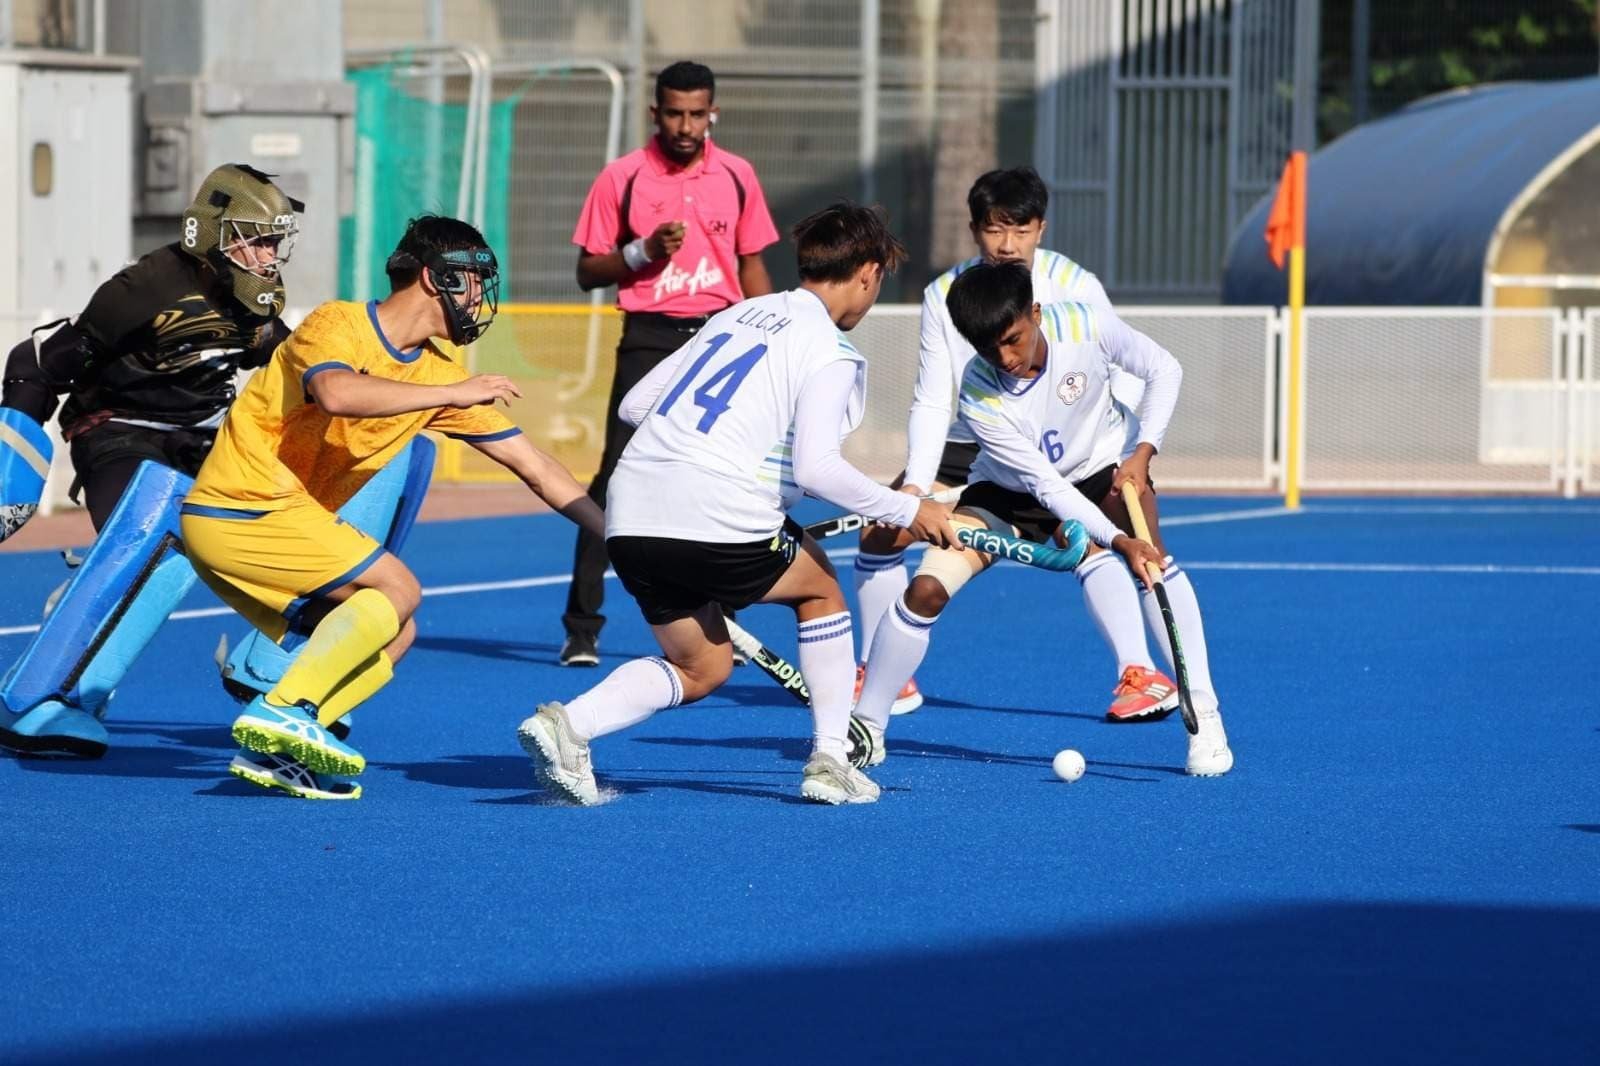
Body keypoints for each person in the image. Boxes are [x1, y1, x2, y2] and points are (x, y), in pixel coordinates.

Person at [519, 202, 957, 807]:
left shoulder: (739, 314)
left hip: (631, 513)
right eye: (877, 282)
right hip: (718, 511)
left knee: (703, 667)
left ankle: (568, 725)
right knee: (820, 588)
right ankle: (830, 759)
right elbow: (817, 468)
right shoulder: (829, 350)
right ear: (868, 272)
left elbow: (635, 406)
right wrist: (911, 511)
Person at [179, 215, 606, 800]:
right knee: (398, 586)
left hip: (272, 524)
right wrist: (452, 393)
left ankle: (289, 746)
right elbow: (337, 392)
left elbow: (534, 465)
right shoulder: (339, 324)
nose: (482, 297)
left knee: (398, 631)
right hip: (241, 504)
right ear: (436, 279)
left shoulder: (435, 373)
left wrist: (619, 537)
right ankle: (285, 707)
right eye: (475, 280)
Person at [853, 260, 1234, 777]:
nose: (1006, 358)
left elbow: (1165, 369)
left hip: (1104, 469)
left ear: (1035, 312)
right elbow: (1047, 488)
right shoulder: (980, 390)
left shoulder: (1086, 324)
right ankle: (866, 729)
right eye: (990, 349)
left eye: (1014, 339)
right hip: (1012, 492)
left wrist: (1143, 451)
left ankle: (1206, 722)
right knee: (926, 589)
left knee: (1156, 571)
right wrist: (1120, 543)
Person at [852, 165, 1179, 723]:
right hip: (975, 444)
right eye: (993, 231)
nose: (1007, 246)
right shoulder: (944, 294)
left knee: (1095, 538)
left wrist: (1125, 453)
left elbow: (1119, 369)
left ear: (1041, 228)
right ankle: (883, 670)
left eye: (1020, 230)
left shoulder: (1075, 285)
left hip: (1076, 445)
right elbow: (934, 398)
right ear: (974, 230)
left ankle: (1140, 669)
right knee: (882, 533)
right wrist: (915, 484)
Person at [0, 164, 304, 757]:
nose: (268, 254)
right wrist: (10, 474)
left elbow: (279, 361)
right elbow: (35, 361)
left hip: (207, 436)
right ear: (210, 233)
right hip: (118, 430)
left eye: (274, 240)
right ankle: (43, 698)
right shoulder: (145, 289)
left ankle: (263, 670)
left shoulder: (256, 299)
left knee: (294, 540)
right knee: (153, 552)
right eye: (255, 238)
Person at [561, 59, 779, 667]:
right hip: (650, 336)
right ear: (655, 113)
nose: (686, 126)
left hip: (719, 337)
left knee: (725, 473)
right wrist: (642, 251)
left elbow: (752, 265)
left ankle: (723, 623)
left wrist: (778, 336)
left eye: (697, 114)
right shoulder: (621, 177)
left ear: (713, 112)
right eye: (675, 113)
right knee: (614, 477)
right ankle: (582, 627)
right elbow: (587, 271)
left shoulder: (737, 175)